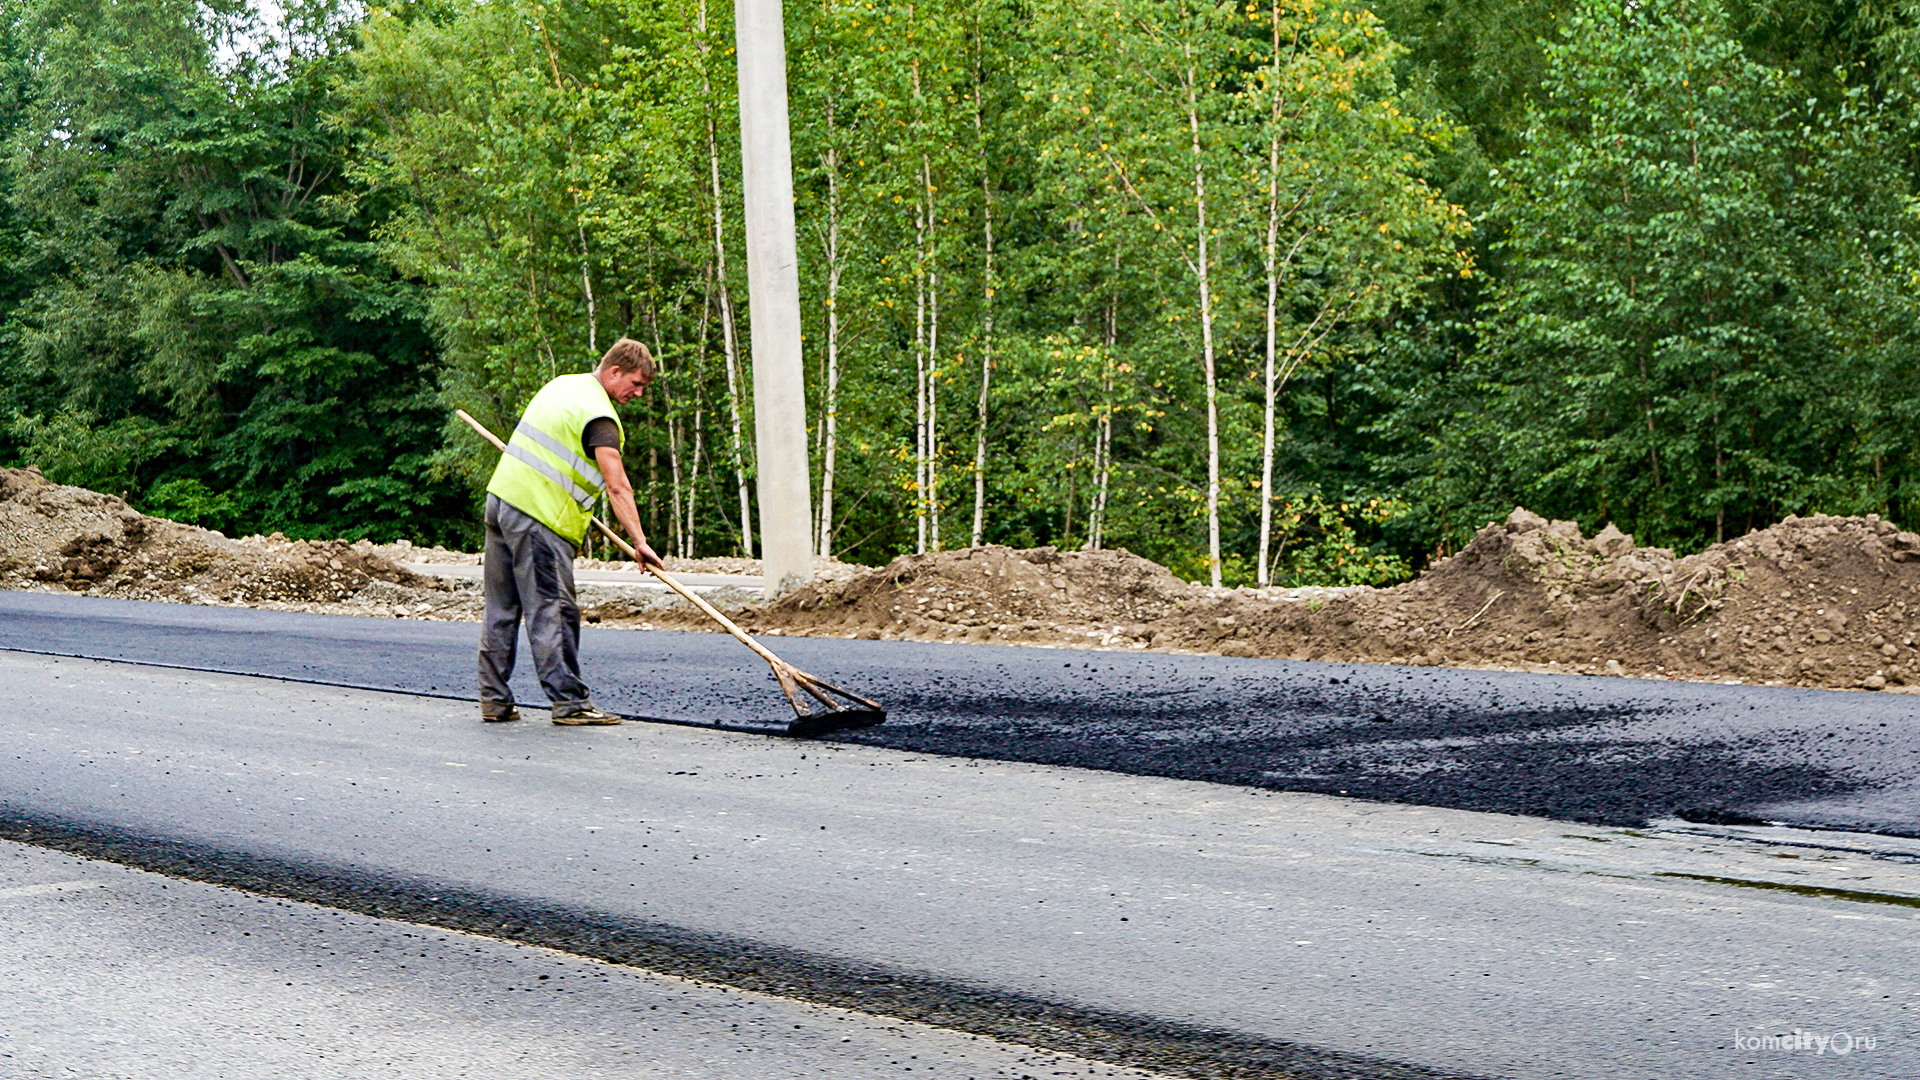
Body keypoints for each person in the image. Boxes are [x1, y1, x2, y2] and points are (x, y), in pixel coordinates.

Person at [478, 337, 665, 725]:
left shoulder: (562, 385)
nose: (638, 393)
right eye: (636, 383)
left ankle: (494, 701)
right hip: (539, 518)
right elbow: (618, 486)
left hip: (501, 503)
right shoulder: (599, 417)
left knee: (501, 609)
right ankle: (570, 703)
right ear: (615, 371)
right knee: (553, 610)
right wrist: (640, 542)